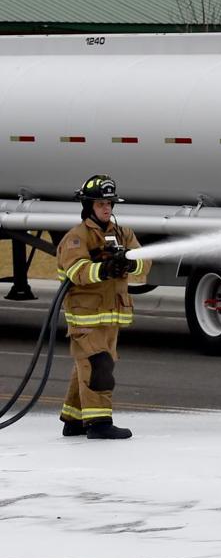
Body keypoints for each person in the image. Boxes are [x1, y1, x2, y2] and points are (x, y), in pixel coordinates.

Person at [56, 174, 150, 439]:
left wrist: (130, 263)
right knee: (98, 367)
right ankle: (99, 424)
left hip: (111, 317)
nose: (106, 208)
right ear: (88, 206)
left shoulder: (122, 233)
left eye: (109, 203)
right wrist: (106, 268)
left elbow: (145, 262)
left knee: (87, 366)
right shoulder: (77, 238)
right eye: (100, 204)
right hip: (85, 319)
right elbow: (77, 271)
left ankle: (73, 419)